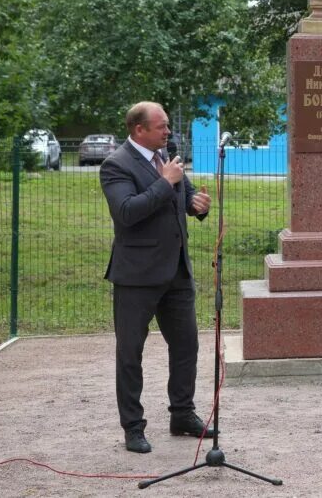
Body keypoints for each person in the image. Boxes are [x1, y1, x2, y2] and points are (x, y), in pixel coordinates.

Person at [100, 102, 211, 453]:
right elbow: (127, 212)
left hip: (176, 271)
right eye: (162, 127)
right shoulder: (115, 165)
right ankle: (133, 427)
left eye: (167, 127)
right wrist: (166, 184)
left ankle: (182, 414)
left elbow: (184, 193)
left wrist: (196, 204)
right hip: (137, 276)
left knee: (186, 346)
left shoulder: (165, 157)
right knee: (130, 353)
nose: (168, 133)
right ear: (139, 130)